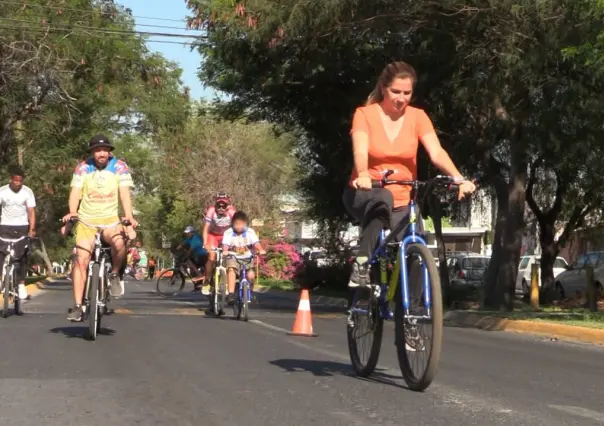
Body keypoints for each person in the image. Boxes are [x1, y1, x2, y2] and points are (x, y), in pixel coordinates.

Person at [343, 61, 476, 288]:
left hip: (404, 199)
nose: (401, 98)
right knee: (383, 198)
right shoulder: (364, 114)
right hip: (365, 192)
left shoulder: (418, 117)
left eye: (407, 93)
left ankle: (413, 316)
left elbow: (436, 152)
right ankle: (362, 262)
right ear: (384, 88)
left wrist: (459, 178)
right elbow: (360, 149)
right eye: (396, 91)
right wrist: (363, 173)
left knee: (416, 247)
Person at [61, 134, 138, 322]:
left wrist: (128, 217)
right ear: (92, 152)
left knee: (120, 243)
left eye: (104, 150)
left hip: (110, 220)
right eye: (97, 150)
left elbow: (125, 194)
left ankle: (114, 274)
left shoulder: (120, 167)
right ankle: (78, 306)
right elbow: (75, 193)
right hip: (87, 221)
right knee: (81, 260)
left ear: (109, 151)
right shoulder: (82, 168)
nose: (101, 153)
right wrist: (72, 213)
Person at [0, 166, 36, 300]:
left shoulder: (27, 192)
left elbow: (31, 212)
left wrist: (32, 229)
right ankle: (1, 279)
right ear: (11, 179)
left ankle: (21, 285)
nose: (18, 184)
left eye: (20, 181)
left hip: (22, 227)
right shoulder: (2, 191)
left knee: (22, 257)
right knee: (1, 254)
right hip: (4, 226)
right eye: (16, 181)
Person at [221, 211, 265, 304]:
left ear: (245, 224)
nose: (239, 226)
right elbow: (225, 244)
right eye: (236, 224)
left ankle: (251, 292)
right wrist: (225, 250)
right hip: (233, 256)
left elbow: (256, 243)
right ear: (233, 224)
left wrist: (260, 249)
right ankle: (231, 294)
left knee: (251, 275)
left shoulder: (250, 232)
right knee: (231, 269)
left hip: (247, 257)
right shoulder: (228, 232)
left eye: (241, 224)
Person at [202, 192, 236, 288]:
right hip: (213, 235)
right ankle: (207, 279)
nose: (221, 208)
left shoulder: (232, 212)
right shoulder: (211, 211)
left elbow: (237, 228)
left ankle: (227, 281)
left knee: (228, 258)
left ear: (227, 205)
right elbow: (206, 228)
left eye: (223, 206)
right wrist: (205, 243)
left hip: (226, 236)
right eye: (218, 205)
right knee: (211, 257)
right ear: (215, 205)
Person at [177, 225, 208, 291]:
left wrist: (184, 257)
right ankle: (197, 286)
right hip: (197, 256)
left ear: (192, 232)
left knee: (188, 261)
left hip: (203, 256)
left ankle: (199, 274)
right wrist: (177, 248)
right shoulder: (189, 238)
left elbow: (190, 251)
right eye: (186, 233)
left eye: (188, 233)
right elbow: (183, 243)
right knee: (192, 270)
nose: (187, 234)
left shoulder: (195, 239)